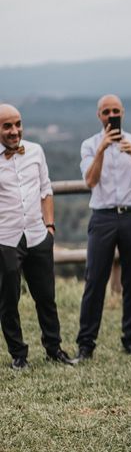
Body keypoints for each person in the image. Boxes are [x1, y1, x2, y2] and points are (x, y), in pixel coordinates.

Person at [74, 94, 131, 361]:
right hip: (103, 216)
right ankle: (86, 344)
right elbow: (90, 181)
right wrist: (102, 150)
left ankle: (130, 340)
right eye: (106, 111)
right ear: (99, 115)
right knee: (94, 279)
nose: (110, 115)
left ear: (123, 113)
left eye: (115, 111)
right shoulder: (89, 145)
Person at [0, 104, 75, 370]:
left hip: (37, 235)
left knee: (46, 296)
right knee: (8, 300)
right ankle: (18, 355)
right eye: (7, 126)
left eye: (17, 124)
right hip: (6, 240)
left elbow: (46, 189)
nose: (14, 130)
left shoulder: (35, 151)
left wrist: (50, 228)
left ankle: (54, 349)